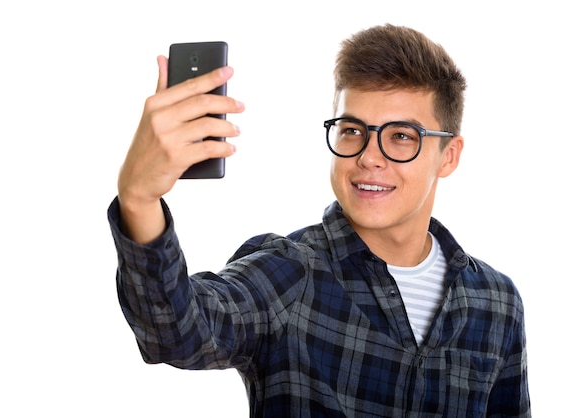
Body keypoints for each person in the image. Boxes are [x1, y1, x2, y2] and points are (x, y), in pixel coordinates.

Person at [108, 24, 530, 417]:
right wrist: (140, 198)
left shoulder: (496, 301)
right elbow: (175, 331)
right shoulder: (290, 273)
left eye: (401, 136)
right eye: (352, 130)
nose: (368, 157)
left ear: (449, 156)